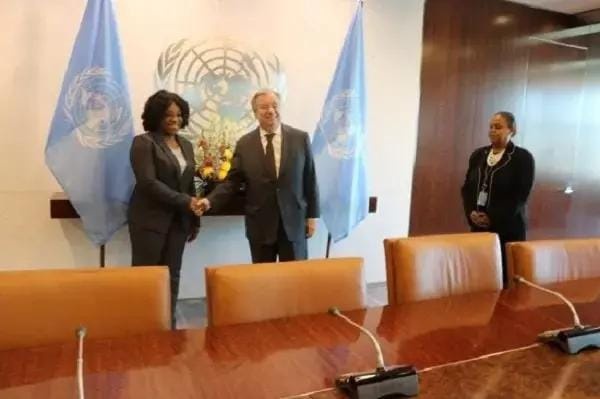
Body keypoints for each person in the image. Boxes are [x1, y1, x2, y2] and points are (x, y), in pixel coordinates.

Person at [199, 89, 320, 263]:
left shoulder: (300, 138)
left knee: (295, 281)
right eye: (264, 107)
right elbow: (232, 182)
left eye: (275, 105)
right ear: (255, 112)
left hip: (294, 223)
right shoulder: (245, 143)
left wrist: (312, 217)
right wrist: (209, 200)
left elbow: (310, 178)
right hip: (260, 225)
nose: (270, 110)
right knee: (262, 282)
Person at [128, 90, 202, 328]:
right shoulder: (143, 142)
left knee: (173, 275)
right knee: (147, 277)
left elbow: (189, 184)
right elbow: (148, 183)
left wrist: (194, 217)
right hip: (149, 221)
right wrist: (185, 201)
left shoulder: (187, 145)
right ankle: (142, 327)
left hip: (178, 222)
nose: (175, 119)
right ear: (155, 115)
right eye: (168, 114)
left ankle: (166, 326)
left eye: (179, 115)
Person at [461, 111, 535, 286]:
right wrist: (472, 213)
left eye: (498, 127)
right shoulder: (478, 155)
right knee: (479, 276)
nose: (493, 130)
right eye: (491, 127)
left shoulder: (522, 158)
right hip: (479, 227)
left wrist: (492, 217)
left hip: (508, 228)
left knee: (504, 278)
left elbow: (520, 195)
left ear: (512, 130)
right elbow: (467, 188)